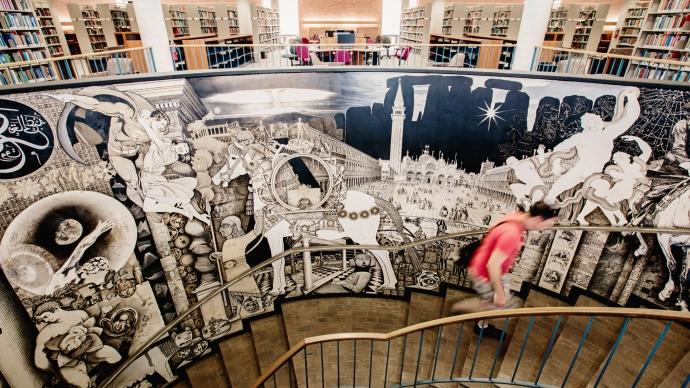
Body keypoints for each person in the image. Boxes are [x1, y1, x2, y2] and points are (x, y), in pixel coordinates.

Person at [450, 201, 557, 338]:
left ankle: (482, 326)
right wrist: (499, 293)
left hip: (490, 267)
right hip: (486, 273)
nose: (544, 229)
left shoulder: (517, 217)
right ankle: (460, 307)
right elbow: (492, 265)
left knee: (498, 303)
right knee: (503, 307)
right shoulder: (511, 233)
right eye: (545, 225)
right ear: (537, 219)